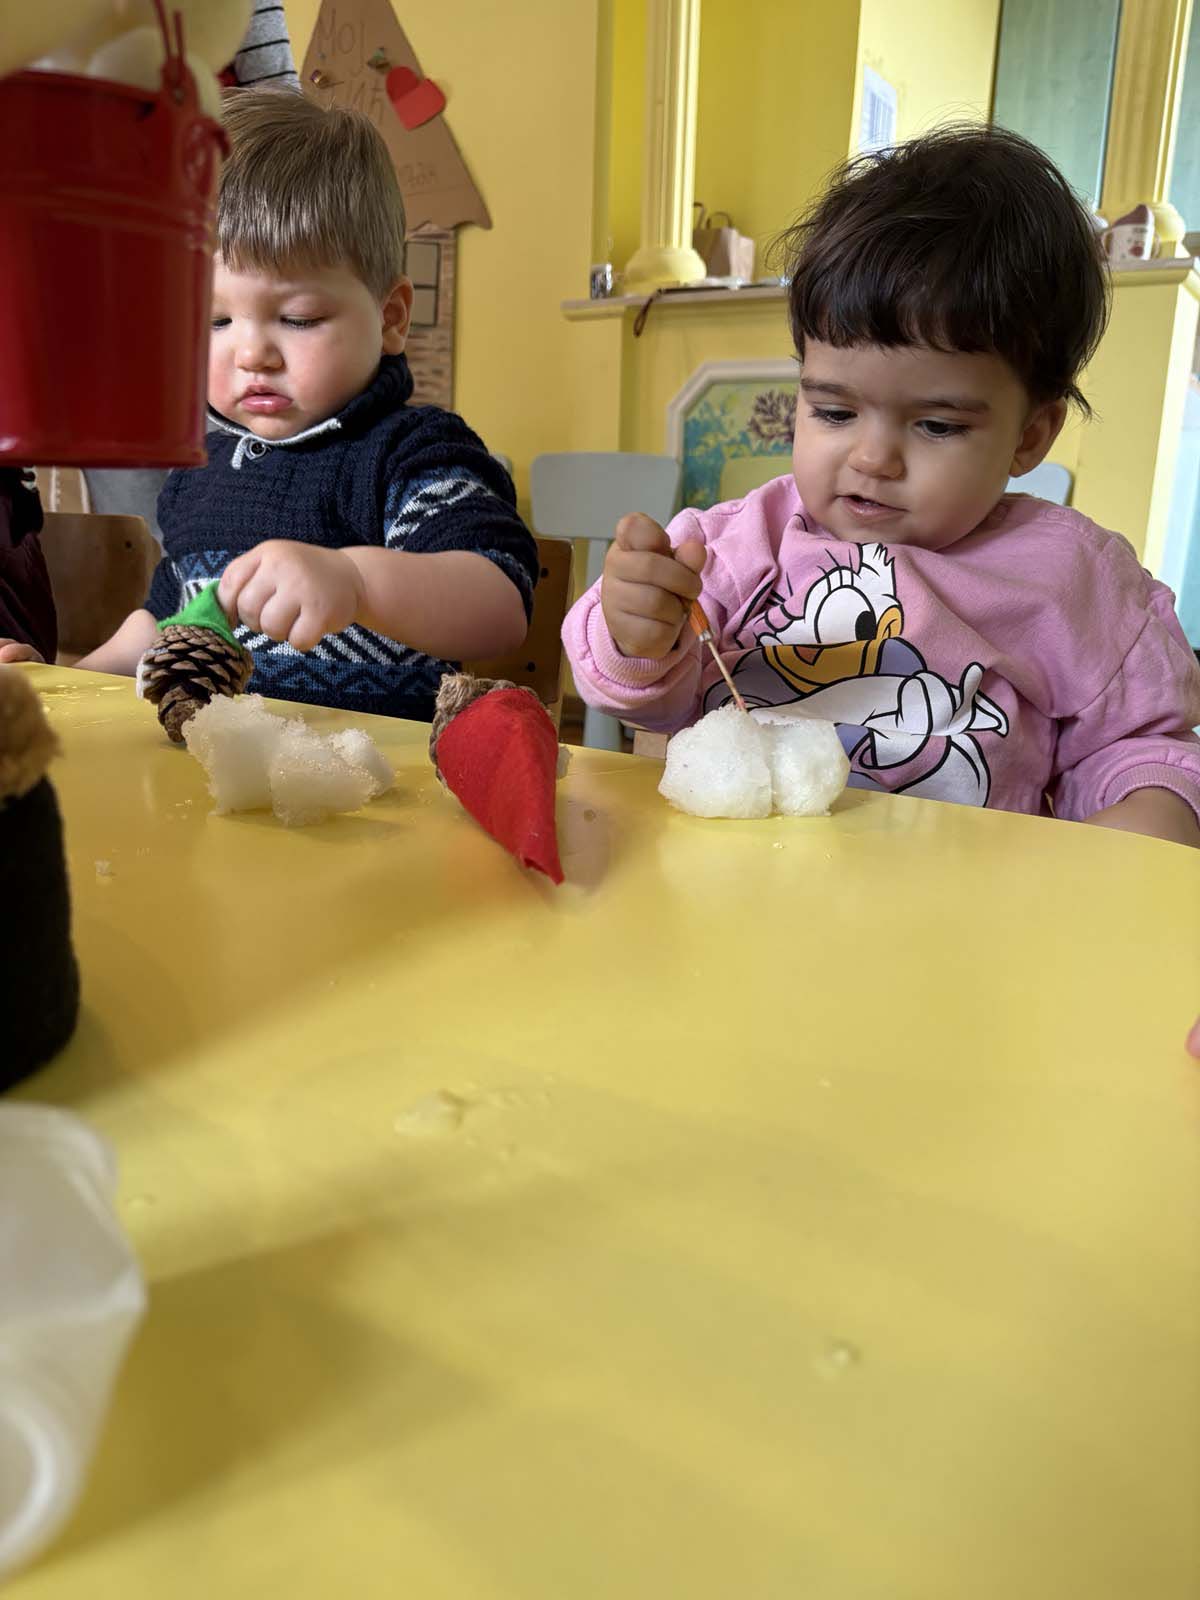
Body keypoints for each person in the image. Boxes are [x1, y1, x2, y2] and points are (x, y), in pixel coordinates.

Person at [563, 126, 1200, 847]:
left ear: (1029, 436)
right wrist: (635, 632)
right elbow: (640, 697)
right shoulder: (737, 545)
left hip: (958, 904)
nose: (872, 459)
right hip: (727, 893)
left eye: (936, 426)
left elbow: (1140, 745)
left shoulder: (1071, 578)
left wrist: (1149, 810)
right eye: (834, 413)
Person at [0, 89, 536, 723]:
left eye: (298, 318)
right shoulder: (199, 474)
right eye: (213, 321)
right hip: (217, 773)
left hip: (377, 777)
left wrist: (357, 583)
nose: (252, 354)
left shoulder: (413, 452)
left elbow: (499, 604)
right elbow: (164, 627)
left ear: (391, 317)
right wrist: (61, 686)